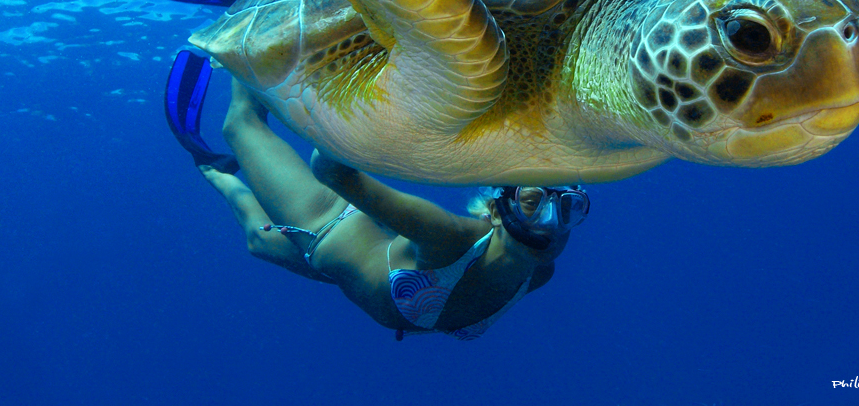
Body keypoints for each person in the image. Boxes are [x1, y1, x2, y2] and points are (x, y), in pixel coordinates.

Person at [165, 50, 590, 341]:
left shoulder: (538, 274)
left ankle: (215, 169)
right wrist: (381, 118)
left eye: (570, 208)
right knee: (241, 125)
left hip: (349, 270)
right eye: (532, 202)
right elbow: (330, 171)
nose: (550, 223)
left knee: (258, 241)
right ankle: (248, 26)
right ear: (497, 211)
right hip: (323, 224)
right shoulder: (447, 237)